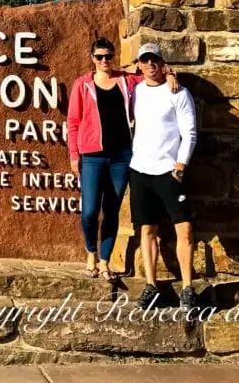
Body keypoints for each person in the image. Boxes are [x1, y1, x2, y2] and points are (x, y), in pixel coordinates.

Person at [66, 37, 178, 280]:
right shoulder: (82, 84)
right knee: (89, 210)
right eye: (99, 57)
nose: (104, 60)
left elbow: (152, 74)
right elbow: (73, 122)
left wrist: (170, 74)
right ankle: (90, 251)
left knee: (112, 209)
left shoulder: (127, 80)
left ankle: (104, 261)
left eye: (108, 56)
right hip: (92, 155)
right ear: (92, 58)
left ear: (113, 56)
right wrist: (74, 156)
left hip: (121, 155)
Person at [128, 42, 198, 311]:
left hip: (169, 171)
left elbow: (189, 132)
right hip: (140, 170)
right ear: (139, 64)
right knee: (147, 229)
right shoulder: (134, 91)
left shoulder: (178, 92)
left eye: (154, 59)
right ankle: (151, 285)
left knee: (185, 229)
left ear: (162, 62)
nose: (150, 64)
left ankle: (188, 288)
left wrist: (180, 166)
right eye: (145, 60)